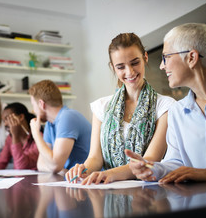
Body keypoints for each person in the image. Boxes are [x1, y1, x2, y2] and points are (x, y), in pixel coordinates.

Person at [129, 23, 206, 183]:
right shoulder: (177, 111)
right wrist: (151, 168)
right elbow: (176, 162)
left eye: (166, 57)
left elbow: (202, 173)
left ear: (191, 58)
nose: (162, 66)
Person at [66, 33, 175, 184]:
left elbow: (149, 161)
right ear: (113, 68)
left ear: (145, 58)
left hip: (148, 192)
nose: (129, 72)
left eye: (135, 62)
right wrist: (83, 169)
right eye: (120, 67)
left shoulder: (165, 106)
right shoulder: (101, 107)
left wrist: (109, 174)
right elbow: (95, 158)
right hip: (108, 190)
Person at [28, 80, 91, 174]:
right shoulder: (50, 123)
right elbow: (40, 164)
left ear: (41, 104)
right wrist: (61, 170)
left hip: (88, 179)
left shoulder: (67, 117)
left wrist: (36, 134)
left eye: (33, 105)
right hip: (72, 178)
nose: (33, 110)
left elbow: (54, 165)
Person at [0, 102, 39, 170]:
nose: (5, 124)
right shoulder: (9, 139)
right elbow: (1, 162)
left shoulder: (38, 137)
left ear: (21, 117)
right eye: (4, 121)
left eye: (7, 119)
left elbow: (21, 166)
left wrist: (15, 136)